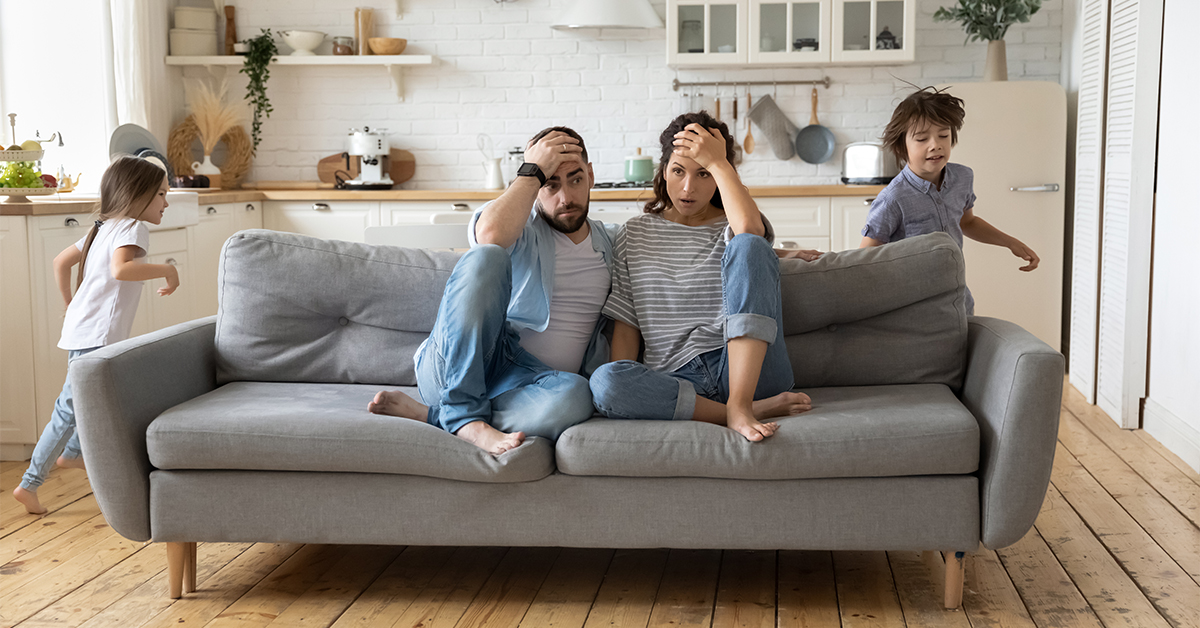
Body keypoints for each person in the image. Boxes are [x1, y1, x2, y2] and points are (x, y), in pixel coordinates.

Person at [369, 127, 618, 455]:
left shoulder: (612, 243)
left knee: (577, 397)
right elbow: (489, 234)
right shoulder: (519, 229)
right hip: (459, 366)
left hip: (529, 386)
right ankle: (463, 413)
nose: (565, 198)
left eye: (575, 180)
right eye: (550, 185)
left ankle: (438, 416)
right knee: (486, 255)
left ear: (591, 176)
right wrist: (532, 171)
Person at [589, 112, 813, 442]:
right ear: (664, 170)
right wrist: (629, 381)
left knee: (750, 245)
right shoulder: (634, 233)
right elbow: (627, 324)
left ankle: (741, 402)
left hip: (748, 370)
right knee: (605, 382)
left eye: (704, 173)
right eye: (678, 171)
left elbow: (750, 234)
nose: (688, 187)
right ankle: (746, 411)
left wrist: (720, 162)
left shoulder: (735, 224)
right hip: (677, 380)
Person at [12, 156, 179, 515]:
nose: (167, 202)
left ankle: (73, 454)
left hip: (86, 329)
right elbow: (122, 270)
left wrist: (71, 304)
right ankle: (29, 483)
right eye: (161, 194)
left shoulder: (102, 227)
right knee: (69, 407)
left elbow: (60, 262)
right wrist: (168, 270)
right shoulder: (133, 228)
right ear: (139, 195)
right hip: (97, 334)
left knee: (94, 398)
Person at [860, 87, 1039, 314]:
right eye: (922, 138)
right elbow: (867, 255)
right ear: (901, 145)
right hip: (912, 306)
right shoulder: (893, 199)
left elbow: (967, 222)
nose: (935, 144)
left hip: (957, 297)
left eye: (943, 135)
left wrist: (1011, 242)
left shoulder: (963, 177)